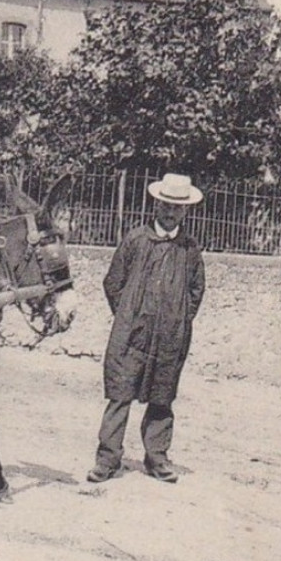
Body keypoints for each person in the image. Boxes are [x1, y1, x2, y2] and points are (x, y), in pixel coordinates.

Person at [88, 172, 207, 485]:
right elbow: (113, 282)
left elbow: (196, 291)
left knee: (162, 394)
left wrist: (177, 319)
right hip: (131, 334)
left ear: (185, 211)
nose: (170, 212)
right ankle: (107, 459)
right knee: (120, 391)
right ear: (156, 204)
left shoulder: (189, 249)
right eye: (166, 205)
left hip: (169, 336)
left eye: (177, 207)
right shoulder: (136, 239)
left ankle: (157, 458)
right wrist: (129, 315)